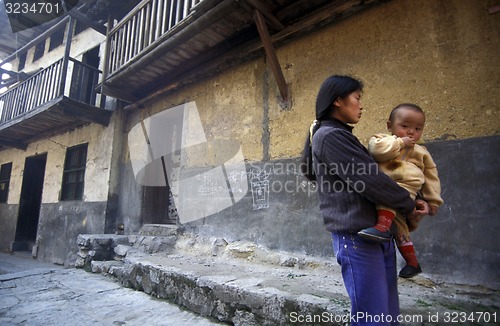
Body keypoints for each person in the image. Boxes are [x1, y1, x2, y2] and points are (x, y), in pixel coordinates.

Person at [300, 75, 429, 325]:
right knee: (373, 317)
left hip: (376, 235)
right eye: (357, 98)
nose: (361, 105)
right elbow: (369, 180)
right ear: (338, 100)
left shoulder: (341, 135)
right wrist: (409, 204)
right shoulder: (330, 136)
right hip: (356, 237)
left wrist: (416, 197)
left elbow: (384, 174)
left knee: (387, 315)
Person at [358, 103, 444, 278]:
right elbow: (377, 152)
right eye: (405, 126)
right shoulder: (381, 139)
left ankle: (381, 227)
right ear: (390, 125)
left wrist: (433, 201)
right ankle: (413, 263)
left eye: (418, 129)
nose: (411, 132)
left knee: (390, 197)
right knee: (400, 227)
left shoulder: (421, 152)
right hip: (385, 183)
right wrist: (399, 142)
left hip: (406, 185)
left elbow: (431, 177)